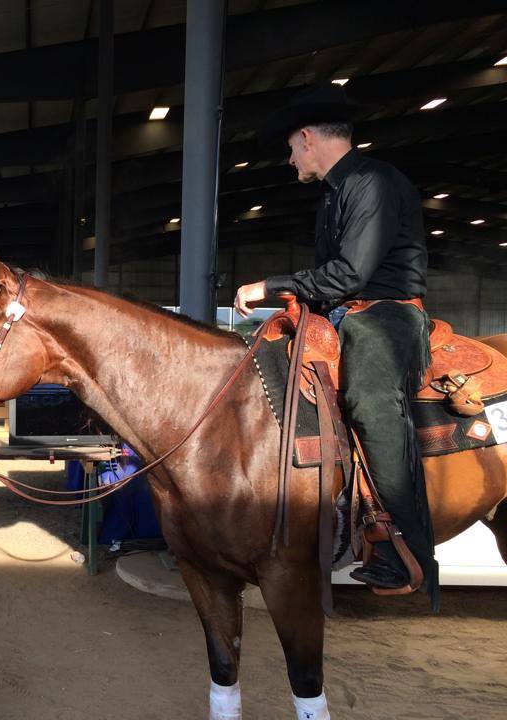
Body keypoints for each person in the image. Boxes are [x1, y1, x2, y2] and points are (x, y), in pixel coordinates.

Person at [234, 85, 438, 605]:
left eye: (291, 149)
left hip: (385, 314)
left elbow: (349, 274)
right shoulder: (332, 195)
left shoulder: (371, 181)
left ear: (307, 138)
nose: (290, 159)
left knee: (371, 404)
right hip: (343, 311)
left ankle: (406, 548)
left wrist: (270, 286)